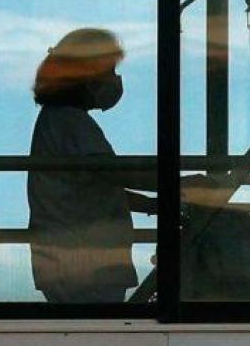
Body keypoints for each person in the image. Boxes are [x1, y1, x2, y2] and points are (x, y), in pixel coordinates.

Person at [27, 28, 156, 303]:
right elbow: (112, 174)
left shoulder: (56, 121)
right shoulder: (71, 123)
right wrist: (175, 182)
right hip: (85, 263)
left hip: (68, 260)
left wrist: (152, 204)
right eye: (108, 70)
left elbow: (91, 189)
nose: (113, 80)